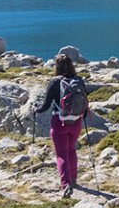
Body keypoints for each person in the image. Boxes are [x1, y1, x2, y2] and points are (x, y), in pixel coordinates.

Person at [31, 54, 91, 195]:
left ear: (56, 66)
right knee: (71, 150)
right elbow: (84, 101)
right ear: (71, 65)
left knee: (61, 154)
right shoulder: (79, 81)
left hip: (60, 122)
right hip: (76, 121)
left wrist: (35, 109)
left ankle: (65, 185)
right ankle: (74, 180)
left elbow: (45, 106)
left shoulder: (54, 83)